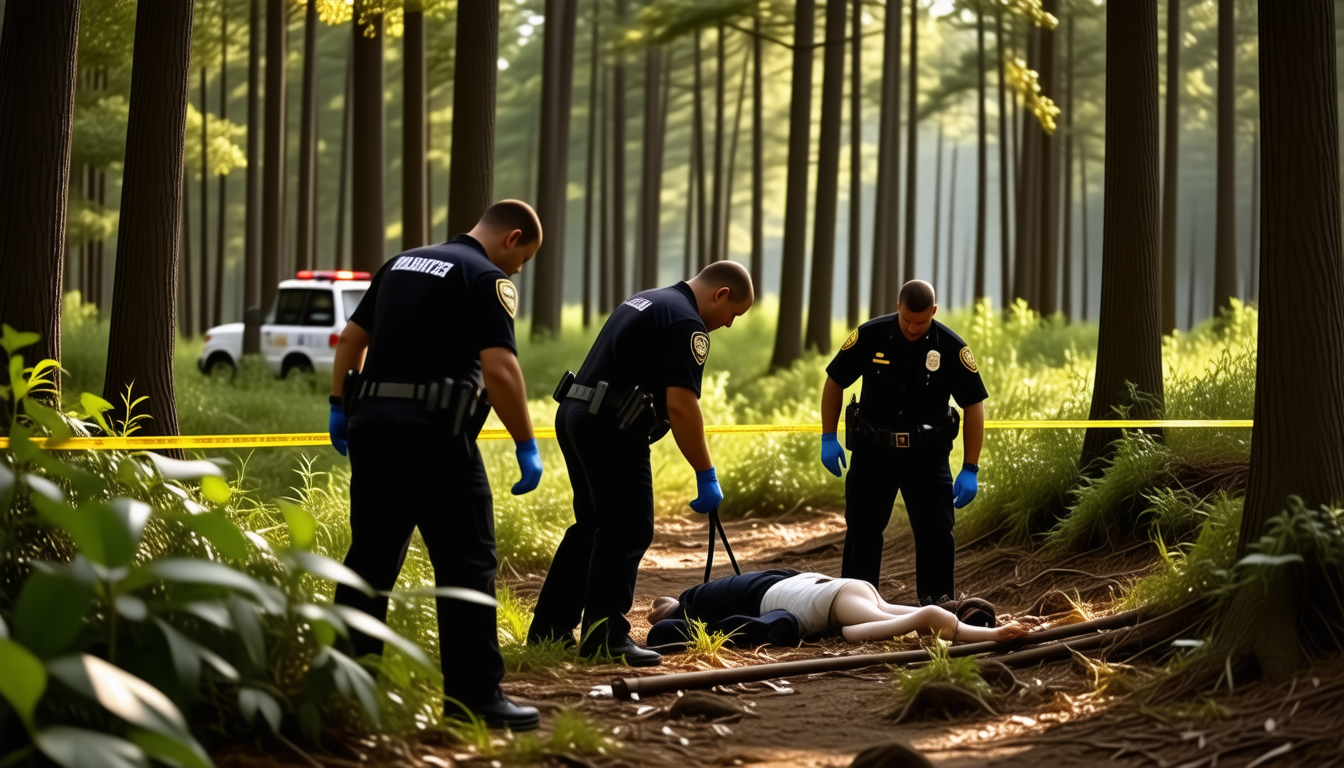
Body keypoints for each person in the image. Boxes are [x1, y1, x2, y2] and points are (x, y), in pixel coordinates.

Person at [327, 200, 545, 731]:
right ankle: (475, 700)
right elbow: (500, 370)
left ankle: (345, 690)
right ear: (512, 238)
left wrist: (338, 405)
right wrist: (526, 442)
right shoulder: (487, 278)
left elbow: (352, 340)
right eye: (523, 259)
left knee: (370, 558)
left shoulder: (400, 263)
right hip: (436, 437)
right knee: (467, 563)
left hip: (372, 428)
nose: (518, 270)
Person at [526, 261, 755, 667]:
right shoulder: (687, 323)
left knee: (592, 526)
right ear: (721, 295)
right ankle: (606, 638)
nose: (728, 324)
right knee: (627, 527)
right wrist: (706, 472)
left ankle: (549, 630)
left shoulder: (648, 300)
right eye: (732, 314)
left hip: (577, 413)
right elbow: (681, 405)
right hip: (611, 425)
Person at [819, 280, 987, 606]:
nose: (912, 328)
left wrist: (971, 467)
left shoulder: (950, 348)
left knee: (937, 533)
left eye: (921, 322)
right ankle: (855, 607)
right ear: (898, 306)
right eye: (907, 319)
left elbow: (974, 404)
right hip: (873, 454)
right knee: (862, 531)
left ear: (934, 312)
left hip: (927, 458)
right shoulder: (871, 336)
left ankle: (938, 608)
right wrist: (828, 436)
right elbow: (835, 380)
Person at [647, 570, 1027, 645]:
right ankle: (967, 619)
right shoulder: (710, 595)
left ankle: (981, 632)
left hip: (818, 595)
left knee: (910, 617)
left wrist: (993, 635)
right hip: (829, 588)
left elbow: (923, 617)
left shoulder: (699, 601)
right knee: (886, 615)